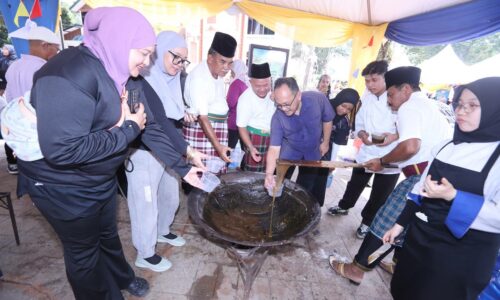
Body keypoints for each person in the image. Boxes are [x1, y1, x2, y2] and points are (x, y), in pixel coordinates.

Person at [16, 7, 202, 299]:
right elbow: (62, 150)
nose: (147, 61)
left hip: (97, 176)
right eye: (143, 53)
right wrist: (127, 130)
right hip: (61, 185)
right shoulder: (67, 74)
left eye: (151, 54)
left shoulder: (122, 74)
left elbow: (150, 125)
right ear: (119, 40)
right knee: (83, 253)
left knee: (107, 234)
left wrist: (184, 167)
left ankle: (122, 277)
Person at [329, 66, 451, 285]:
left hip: (422, 177)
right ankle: (396, 263)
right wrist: (393, 135)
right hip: (440, 178)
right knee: (412, 224)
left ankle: (356, 269)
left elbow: (411, 146)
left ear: (405, 90)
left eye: (391, 95)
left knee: (385, 217)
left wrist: (383, 161)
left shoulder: (409, 107)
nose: (389, 100)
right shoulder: (426, 104)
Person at [384, 77, 500, 300]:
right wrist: (399, 224)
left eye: (472, 105)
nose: (461, 111)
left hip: (463, 255)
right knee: (404, 289)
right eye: (459, 104)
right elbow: (420, 188)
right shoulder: (446, 145)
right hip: (420, 240)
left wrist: (455, 197)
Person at [125, 31, 205, 272]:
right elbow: (155, 121)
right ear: (160, 53)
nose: (180, 65)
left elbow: (171, 115)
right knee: (145, 202)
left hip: (169, 147)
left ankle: (163, 231)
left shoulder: (174, 80)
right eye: (176, 58)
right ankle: (145, 252)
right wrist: (187, 152)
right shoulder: (141, 79)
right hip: (143, 149)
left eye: (184, 60)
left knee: (169, 194)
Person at [328, 61, 400, 240]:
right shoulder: (367, 98)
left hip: (390, 154)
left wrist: (391, 137)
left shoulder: (398, 99)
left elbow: (407, 128)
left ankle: (367, 222)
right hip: (367, 151)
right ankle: (345, 205)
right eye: (367, 81)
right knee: (355, 182)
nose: (370, 85)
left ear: (386, 78)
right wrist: (362, 134)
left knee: (380, 193)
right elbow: (358, 122)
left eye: (374, 80)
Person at [3, 20, 60, 175]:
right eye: (56, 48)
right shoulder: (44, 68)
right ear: (45, 45)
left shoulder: (14, 66)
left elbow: (9, 98)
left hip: (21, 135)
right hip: (41, 135)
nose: (57, 52)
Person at [264, 77, 334, 204]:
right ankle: (279, 205)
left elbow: (327, 119)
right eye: (279, 105)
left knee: (306, 184)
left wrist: (325, 142)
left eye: (286, 104)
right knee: (279, 180)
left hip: (312, 149)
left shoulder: (317, 99)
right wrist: (269, 174)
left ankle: (299, 206)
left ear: (299, 95)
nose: (283, 109)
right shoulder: (277, 118)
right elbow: (274, 148)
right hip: (290, 150)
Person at [184, 32, 237, 172]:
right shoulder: (199, 78)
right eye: (223, 61)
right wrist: (218, 147)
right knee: (201, 179)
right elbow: (202, 118)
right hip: (203, 133)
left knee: (215, 179)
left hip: (215, 133)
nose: (227, 67)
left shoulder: (217, 74)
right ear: (210, 58)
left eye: (230, 63)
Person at [313, 88, 360, 206]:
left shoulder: (343, 122)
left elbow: (337, 144)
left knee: (320, 181)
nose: (344, 110)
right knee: (306, 178)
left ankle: (315, 207)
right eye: (343, 106)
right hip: (311, 149)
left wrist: (332, 163)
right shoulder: (323, 108)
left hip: (326, 153)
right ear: (339, 99)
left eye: (349, 109)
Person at [236, 63, 274, 172]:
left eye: (266, 85)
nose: (262, 89)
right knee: (253, 176)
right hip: (254, 140)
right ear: (250, 82)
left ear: (270, 80)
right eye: (258, 86)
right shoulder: (245, 99)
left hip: (272, 138)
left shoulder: (273, 94)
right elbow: (241, 127)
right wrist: (251, 148)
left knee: (269, 173)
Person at [226, 59, 248, 149]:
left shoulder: (236, 84)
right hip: (244, 123)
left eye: (232, 71)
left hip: (234, 122)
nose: (231, 73)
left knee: (228, 149)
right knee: (244, 150)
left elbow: (230, 103)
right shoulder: (245, 83)